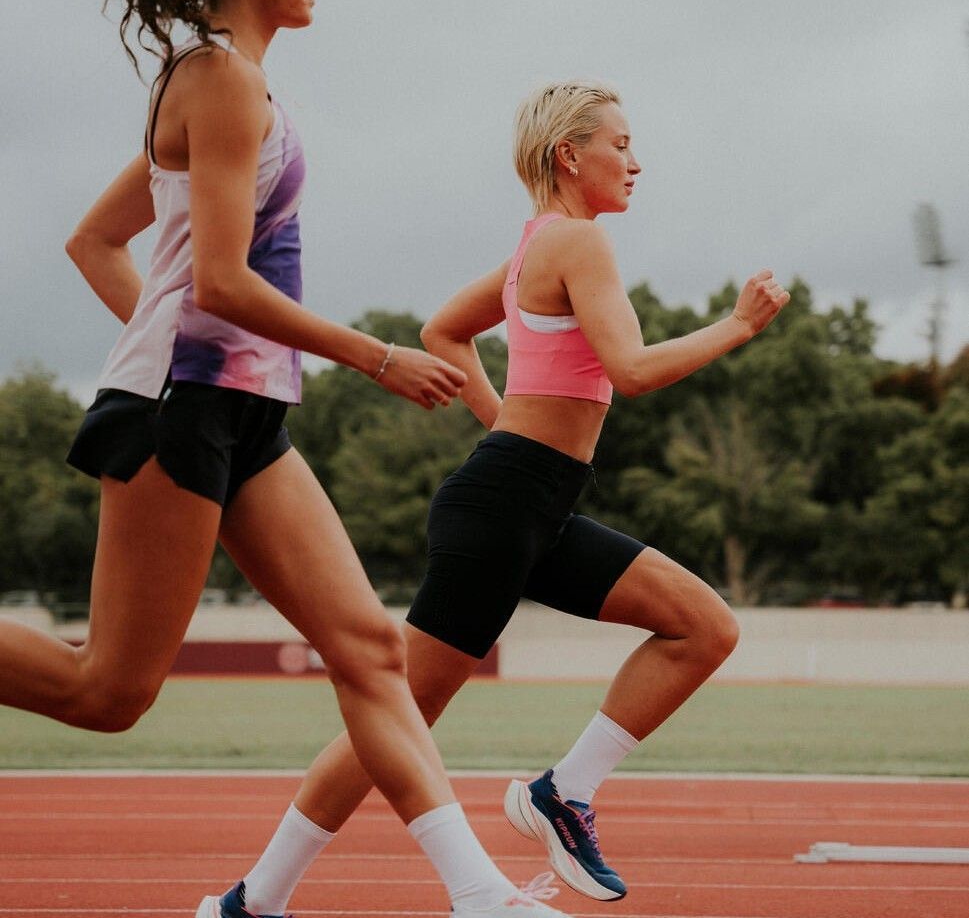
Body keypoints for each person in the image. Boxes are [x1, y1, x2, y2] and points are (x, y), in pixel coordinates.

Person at [0, 0, 569, 918]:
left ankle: (477, 898)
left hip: (239, 411)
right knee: (107, 692)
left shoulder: (237, 88)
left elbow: (99, 240)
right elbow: (216, 278)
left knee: (366, 649)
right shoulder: (217, 80)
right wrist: (371, 355)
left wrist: (190, 354)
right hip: (184, 411)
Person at [204, 80, 791, 913]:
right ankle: (254, 899)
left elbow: (443, 329)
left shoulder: (533, 250)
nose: (634, 160)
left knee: (702, 624)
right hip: (505, 504)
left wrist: (503, 423)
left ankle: (562, 792)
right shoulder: (578, 245)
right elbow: (631, 370)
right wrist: (737, 326)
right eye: (618, 143)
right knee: (397, 719)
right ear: (568, 155)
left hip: (532, 502)